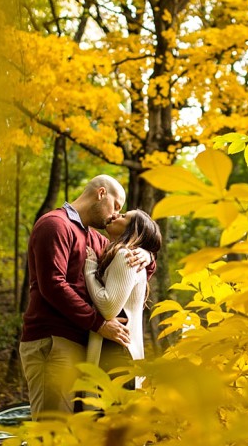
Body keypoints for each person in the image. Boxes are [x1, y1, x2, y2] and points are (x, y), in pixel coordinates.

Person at [19, 175, 153, 419]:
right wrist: (98, 323)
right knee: (54, 432)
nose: (115, 215)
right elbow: (53, 284)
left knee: (80, 440)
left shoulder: (94, 238)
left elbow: (127, 266)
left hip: (82, 345)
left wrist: (146, 255)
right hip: (53, 341)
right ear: (101, 193)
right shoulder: (55, 224)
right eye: (116, 206)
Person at [83, 209, 162, 390]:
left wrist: (89, 269)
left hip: (116, 353)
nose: (116, 215)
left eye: (124, 216)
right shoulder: (125, 255)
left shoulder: (126, 256)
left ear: (133, 231)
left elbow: (108, 307)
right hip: (117, 352)